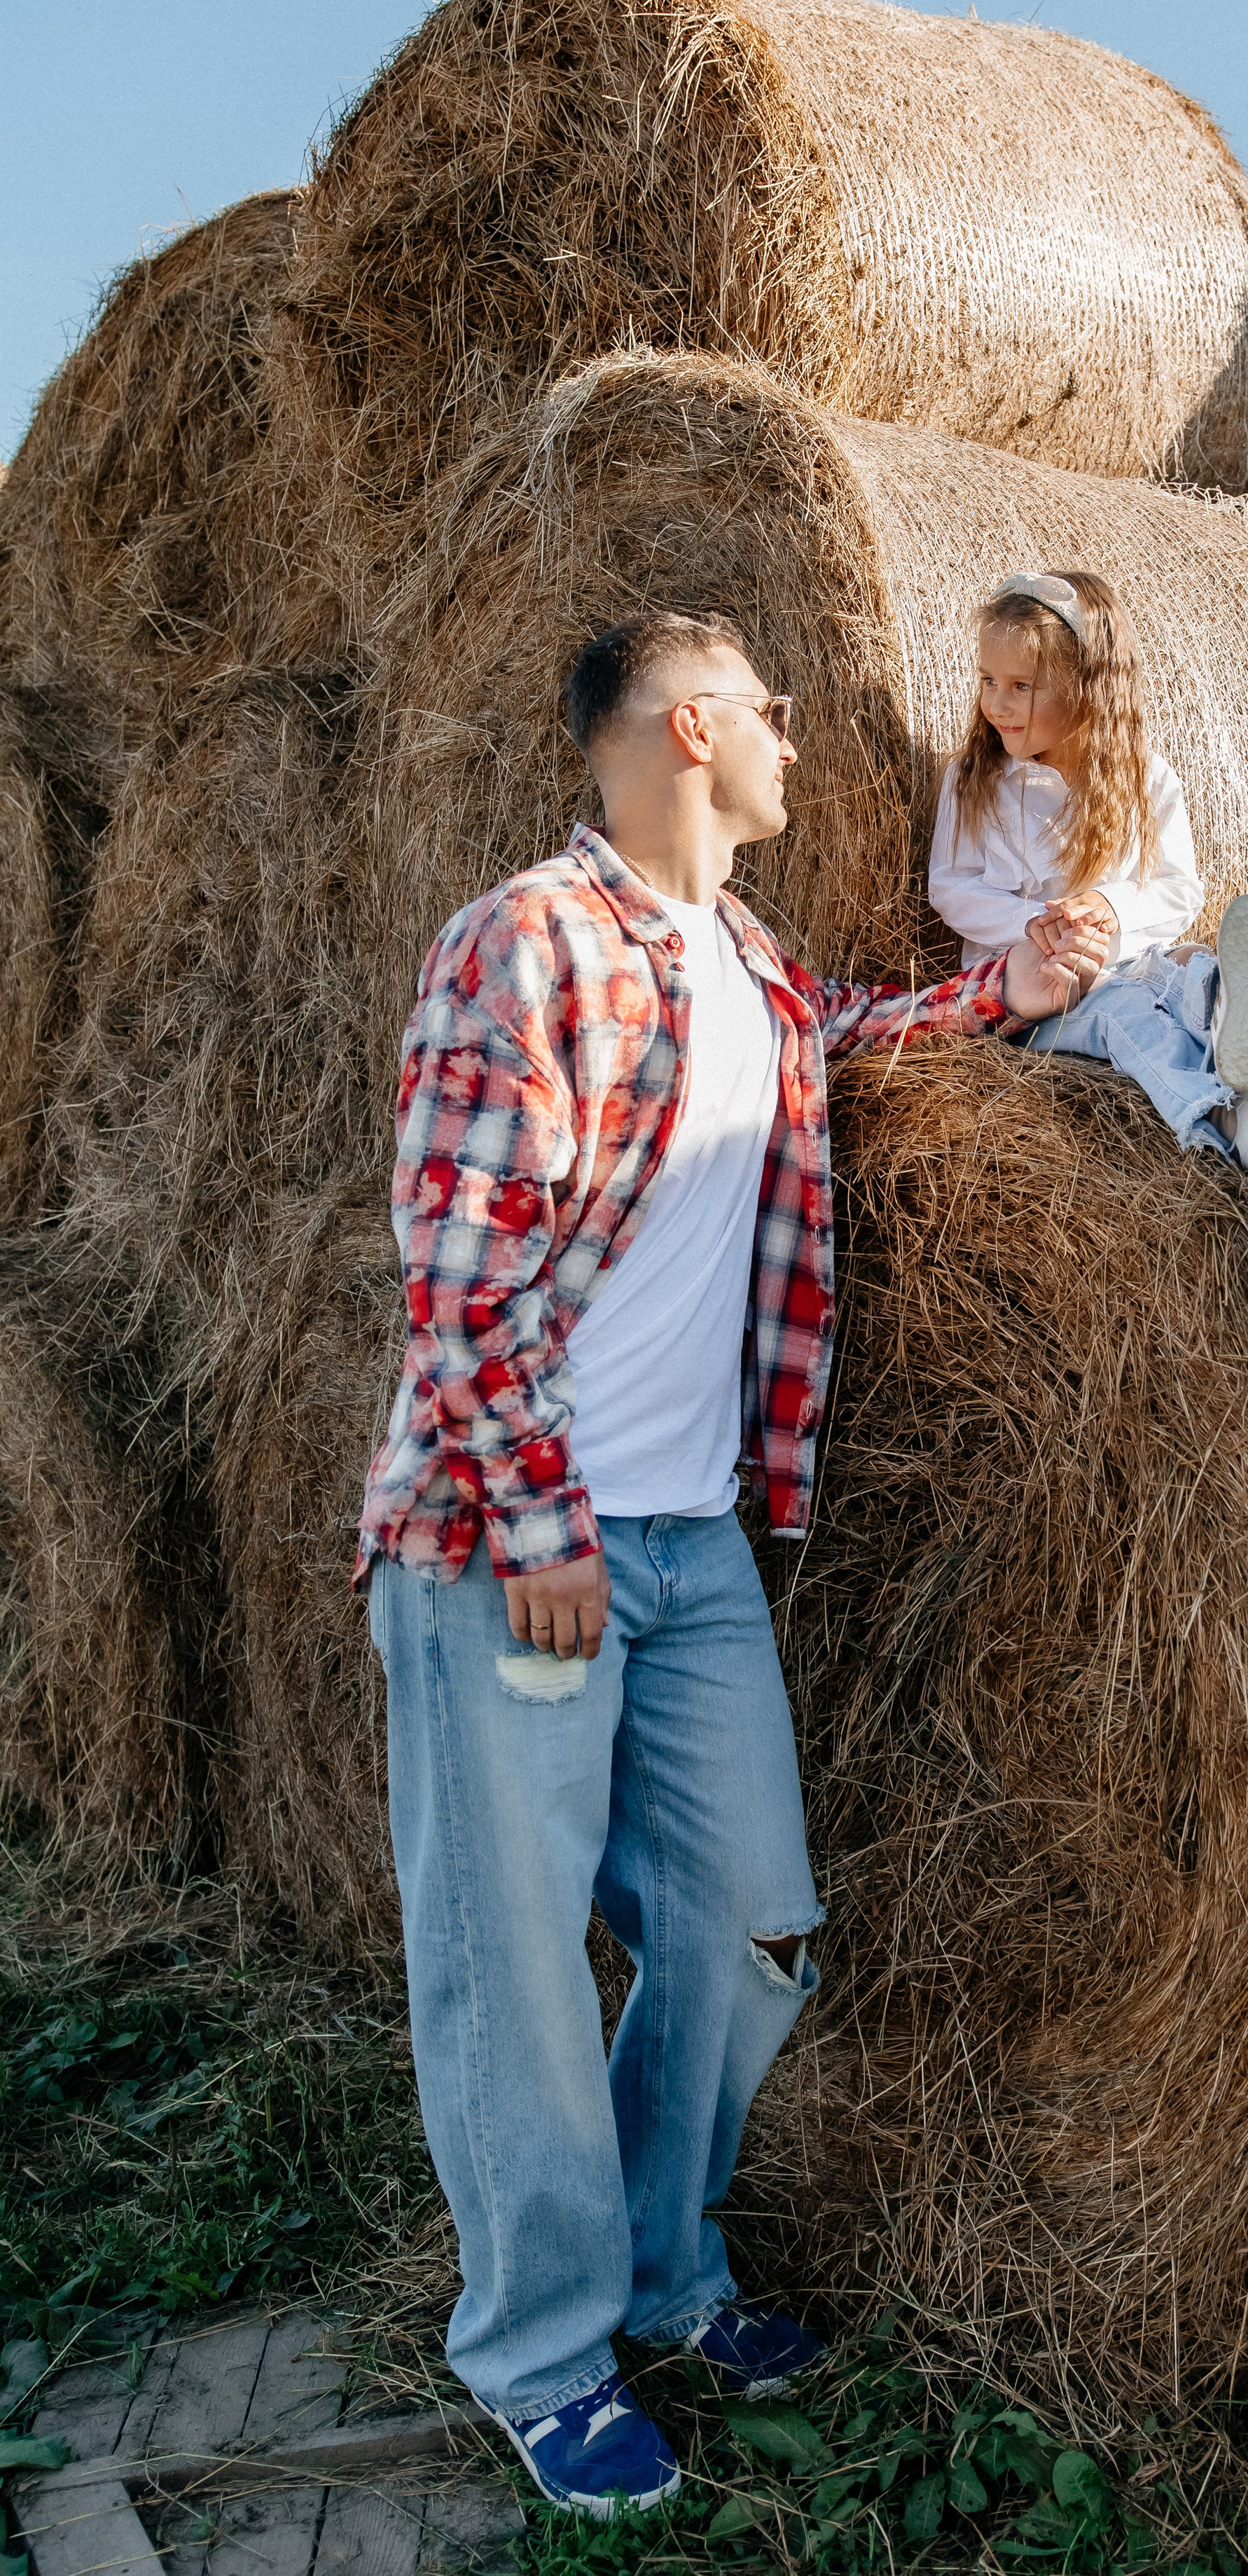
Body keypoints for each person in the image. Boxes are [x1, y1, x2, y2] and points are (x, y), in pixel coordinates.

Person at [356, 610, 1104, 2523]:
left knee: (753, 1928)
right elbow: (455, 1273)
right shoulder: (527, 941)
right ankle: (540, 2356)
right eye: (770, 710)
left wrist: (1005, 985)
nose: (796, 738)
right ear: (694, 728)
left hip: (692, 1549)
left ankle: (667, 2272)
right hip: (517, 1550)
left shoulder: (757, 974)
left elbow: (851, 1048)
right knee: (511, 1973)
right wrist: (538, 1522)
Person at [928, 571, 1248, 1188]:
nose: (996, 703)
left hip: (1125, 957)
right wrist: (1032, 925)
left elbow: (1178, 890)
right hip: (1026, 995)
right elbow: (950, 885)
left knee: (1191, 961)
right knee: (1125, 1010)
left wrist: (1109, 906)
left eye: (1021, 686)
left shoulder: (1144, 779)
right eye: (988, 681)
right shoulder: (975, 779)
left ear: (1088, 689)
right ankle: (1232, 1123)